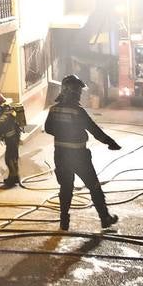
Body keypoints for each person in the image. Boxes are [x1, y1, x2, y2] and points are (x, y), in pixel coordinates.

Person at [43, 75, 120, 231]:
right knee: (94, 186)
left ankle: (64, 221)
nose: (79, 94)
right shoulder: (78, 111)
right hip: (79, 157)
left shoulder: (54, 109)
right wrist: (110, 142)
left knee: (65, 188)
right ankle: (104, 218)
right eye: (77, 91)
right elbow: (94, 130)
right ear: (71, 91)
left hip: (60, 156)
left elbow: (48, 129)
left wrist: (62, 133)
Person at [0, 93, 23, 188]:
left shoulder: (7, 110)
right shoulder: (4, 108)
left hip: (12, 138)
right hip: (12, 138)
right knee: (13, 157)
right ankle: (15, 177)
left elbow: (1, 122)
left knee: (9, 158)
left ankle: (12, 179)